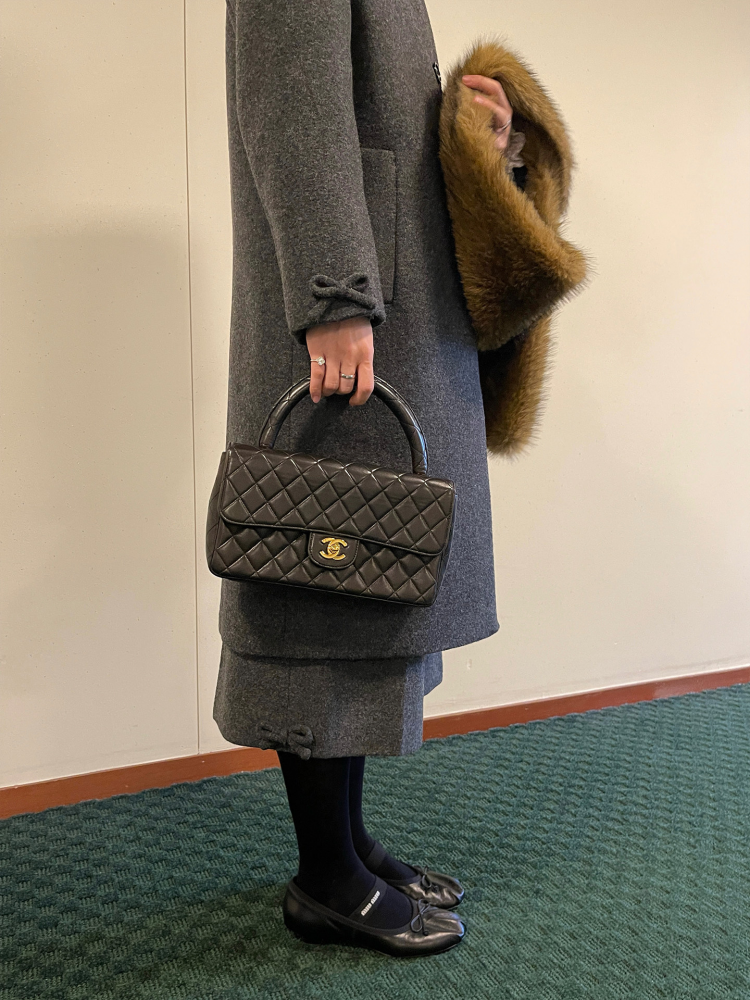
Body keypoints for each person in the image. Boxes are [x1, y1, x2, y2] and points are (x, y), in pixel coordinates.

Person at [214, 0, 526, 958]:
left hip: (393, 296)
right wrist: (335, 295)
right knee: (319, 589)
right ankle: (325, 878)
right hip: (355, 309)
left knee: (367, 584)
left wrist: (473, 135)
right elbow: (291, 105)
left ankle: (347, 844)